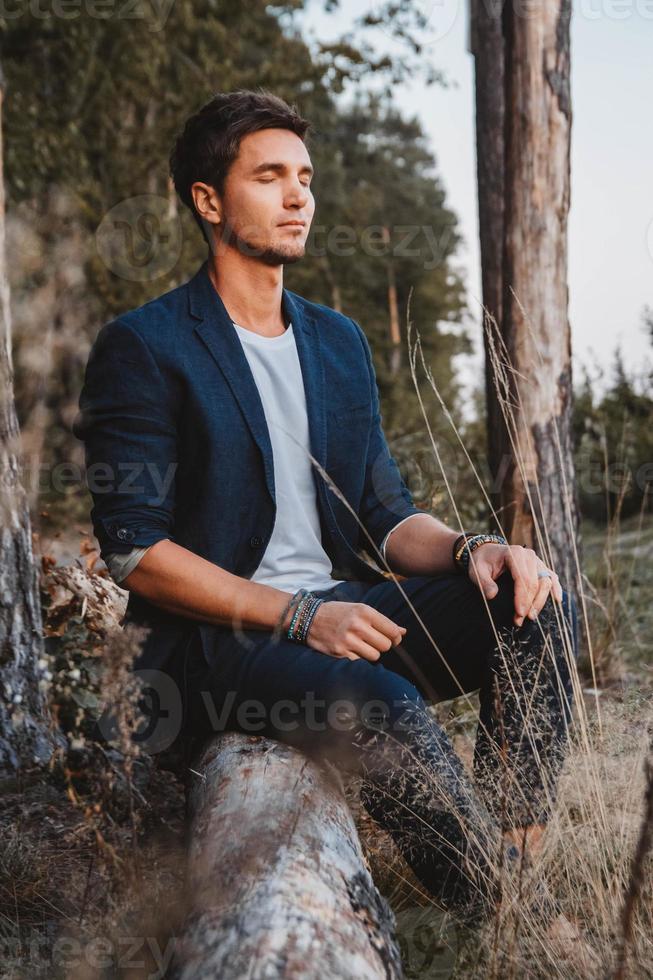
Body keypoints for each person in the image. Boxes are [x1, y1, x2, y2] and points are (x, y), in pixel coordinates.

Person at [73, 89, 580, 929]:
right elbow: (135, 549)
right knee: (378, 698)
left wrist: (475, 550)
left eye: (303, 177)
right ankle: (498, 912)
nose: (299, 195)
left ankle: (512, 860)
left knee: (532, 611)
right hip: (213, 646)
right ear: (208, 201)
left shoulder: (335, 340)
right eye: (269, 177)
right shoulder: (145, 344)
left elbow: (385, 514)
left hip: (338, 617)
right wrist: (303, 615)